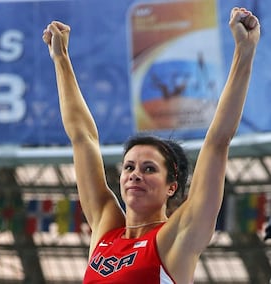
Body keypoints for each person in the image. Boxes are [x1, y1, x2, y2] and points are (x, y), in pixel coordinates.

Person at [42, 6, 260, 284]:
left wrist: (244, 52)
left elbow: (218, 142)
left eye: (149, 169)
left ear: (172, 186)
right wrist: (60, 59)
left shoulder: (177, 237)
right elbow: (83, 138)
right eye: (129, 166)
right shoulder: (105, 227)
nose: (135, 174)